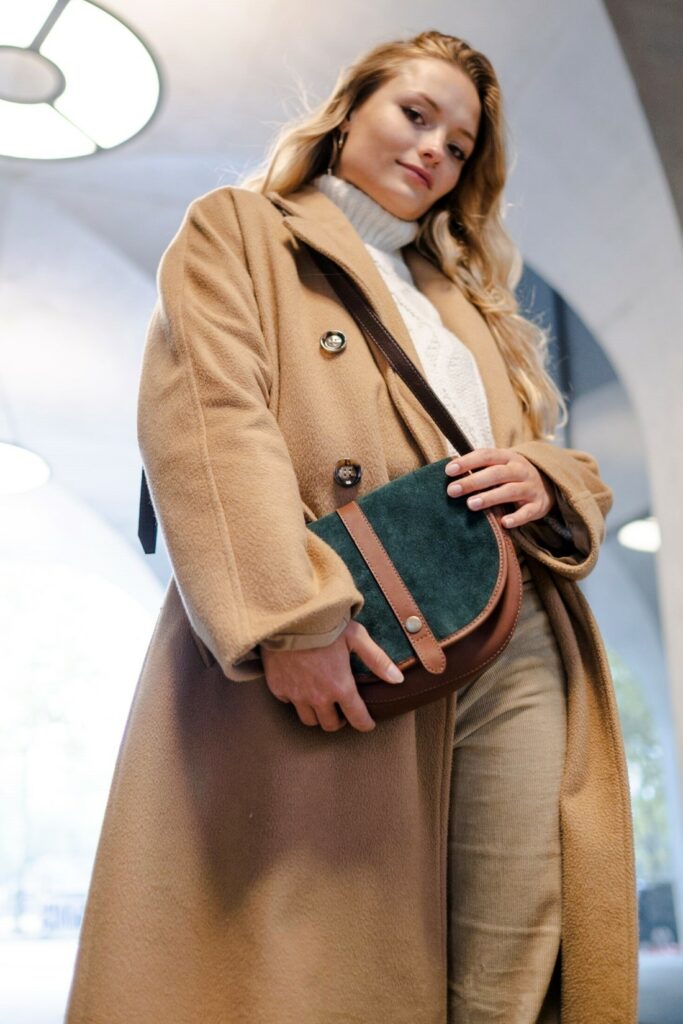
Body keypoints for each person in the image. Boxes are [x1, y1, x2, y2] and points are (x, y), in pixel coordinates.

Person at [65, 29, 638, 1024]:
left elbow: (556, 458)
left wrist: (542, 475)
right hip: (350, 627)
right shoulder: (242, 229)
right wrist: (292, 616)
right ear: (345, 114)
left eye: (458, 144)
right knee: (328, 959)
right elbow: (208, 418)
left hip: (511, 627)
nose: (433, 149)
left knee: (514, 942)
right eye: (414, 115)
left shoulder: (467, 302)